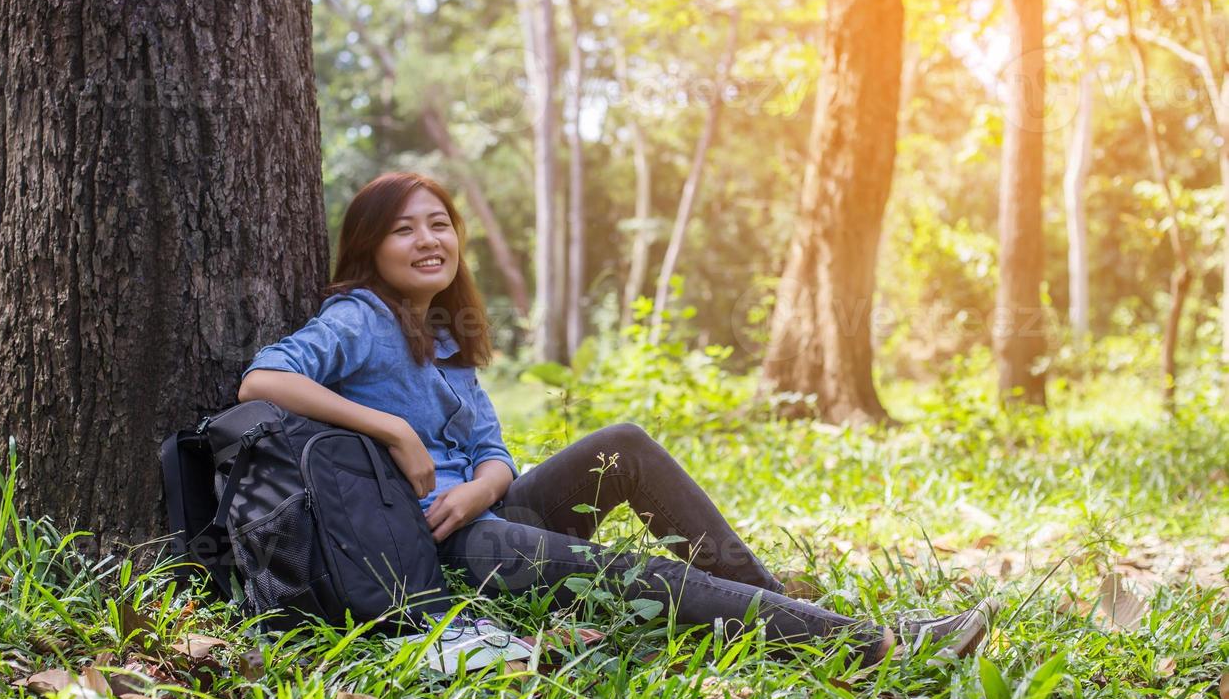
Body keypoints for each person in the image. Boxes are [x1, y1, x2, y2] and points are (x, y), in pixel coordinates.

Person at [238, 172, 995, 664]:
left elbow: (494, 449)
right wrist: (395, 432)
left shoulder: (443, 333)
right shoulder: (361, 317)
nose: (428, 240)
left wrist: (481, 483)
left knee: (624, 444)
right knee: (642, 575)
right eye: (404, 229)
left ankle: (784, 608)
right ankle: (882, 649)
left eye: (439, 223)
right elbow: (262, 381)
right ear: (371, 247)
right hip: (442, 552)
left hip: (489, 513)